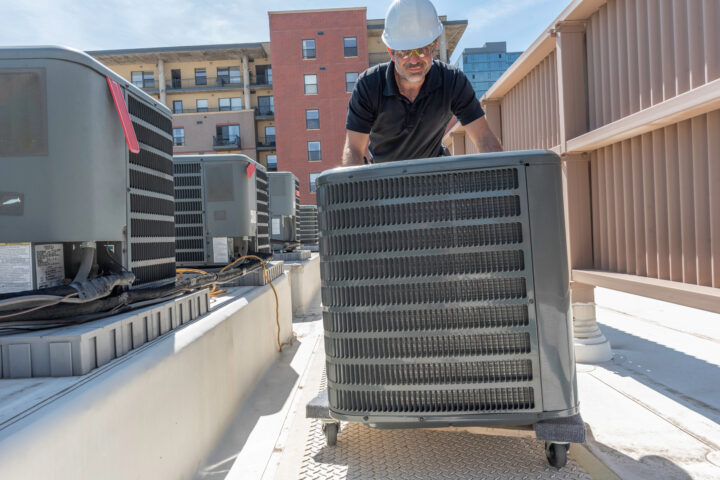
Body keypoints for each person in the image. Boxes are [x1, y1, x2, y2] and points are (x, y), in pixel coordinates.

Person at [342, 0, 502, 166]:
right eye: (404, 52)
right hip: (384, 177)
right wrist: (352, 186)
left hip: (434, 177)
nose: (414, 59)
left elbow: (484, 138)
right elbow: (354, 148)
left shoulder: (452, 81)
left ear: (434, 47)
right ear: (391, 52)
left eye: (422, 49)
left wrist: (503, 179)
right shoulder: (369, 86)